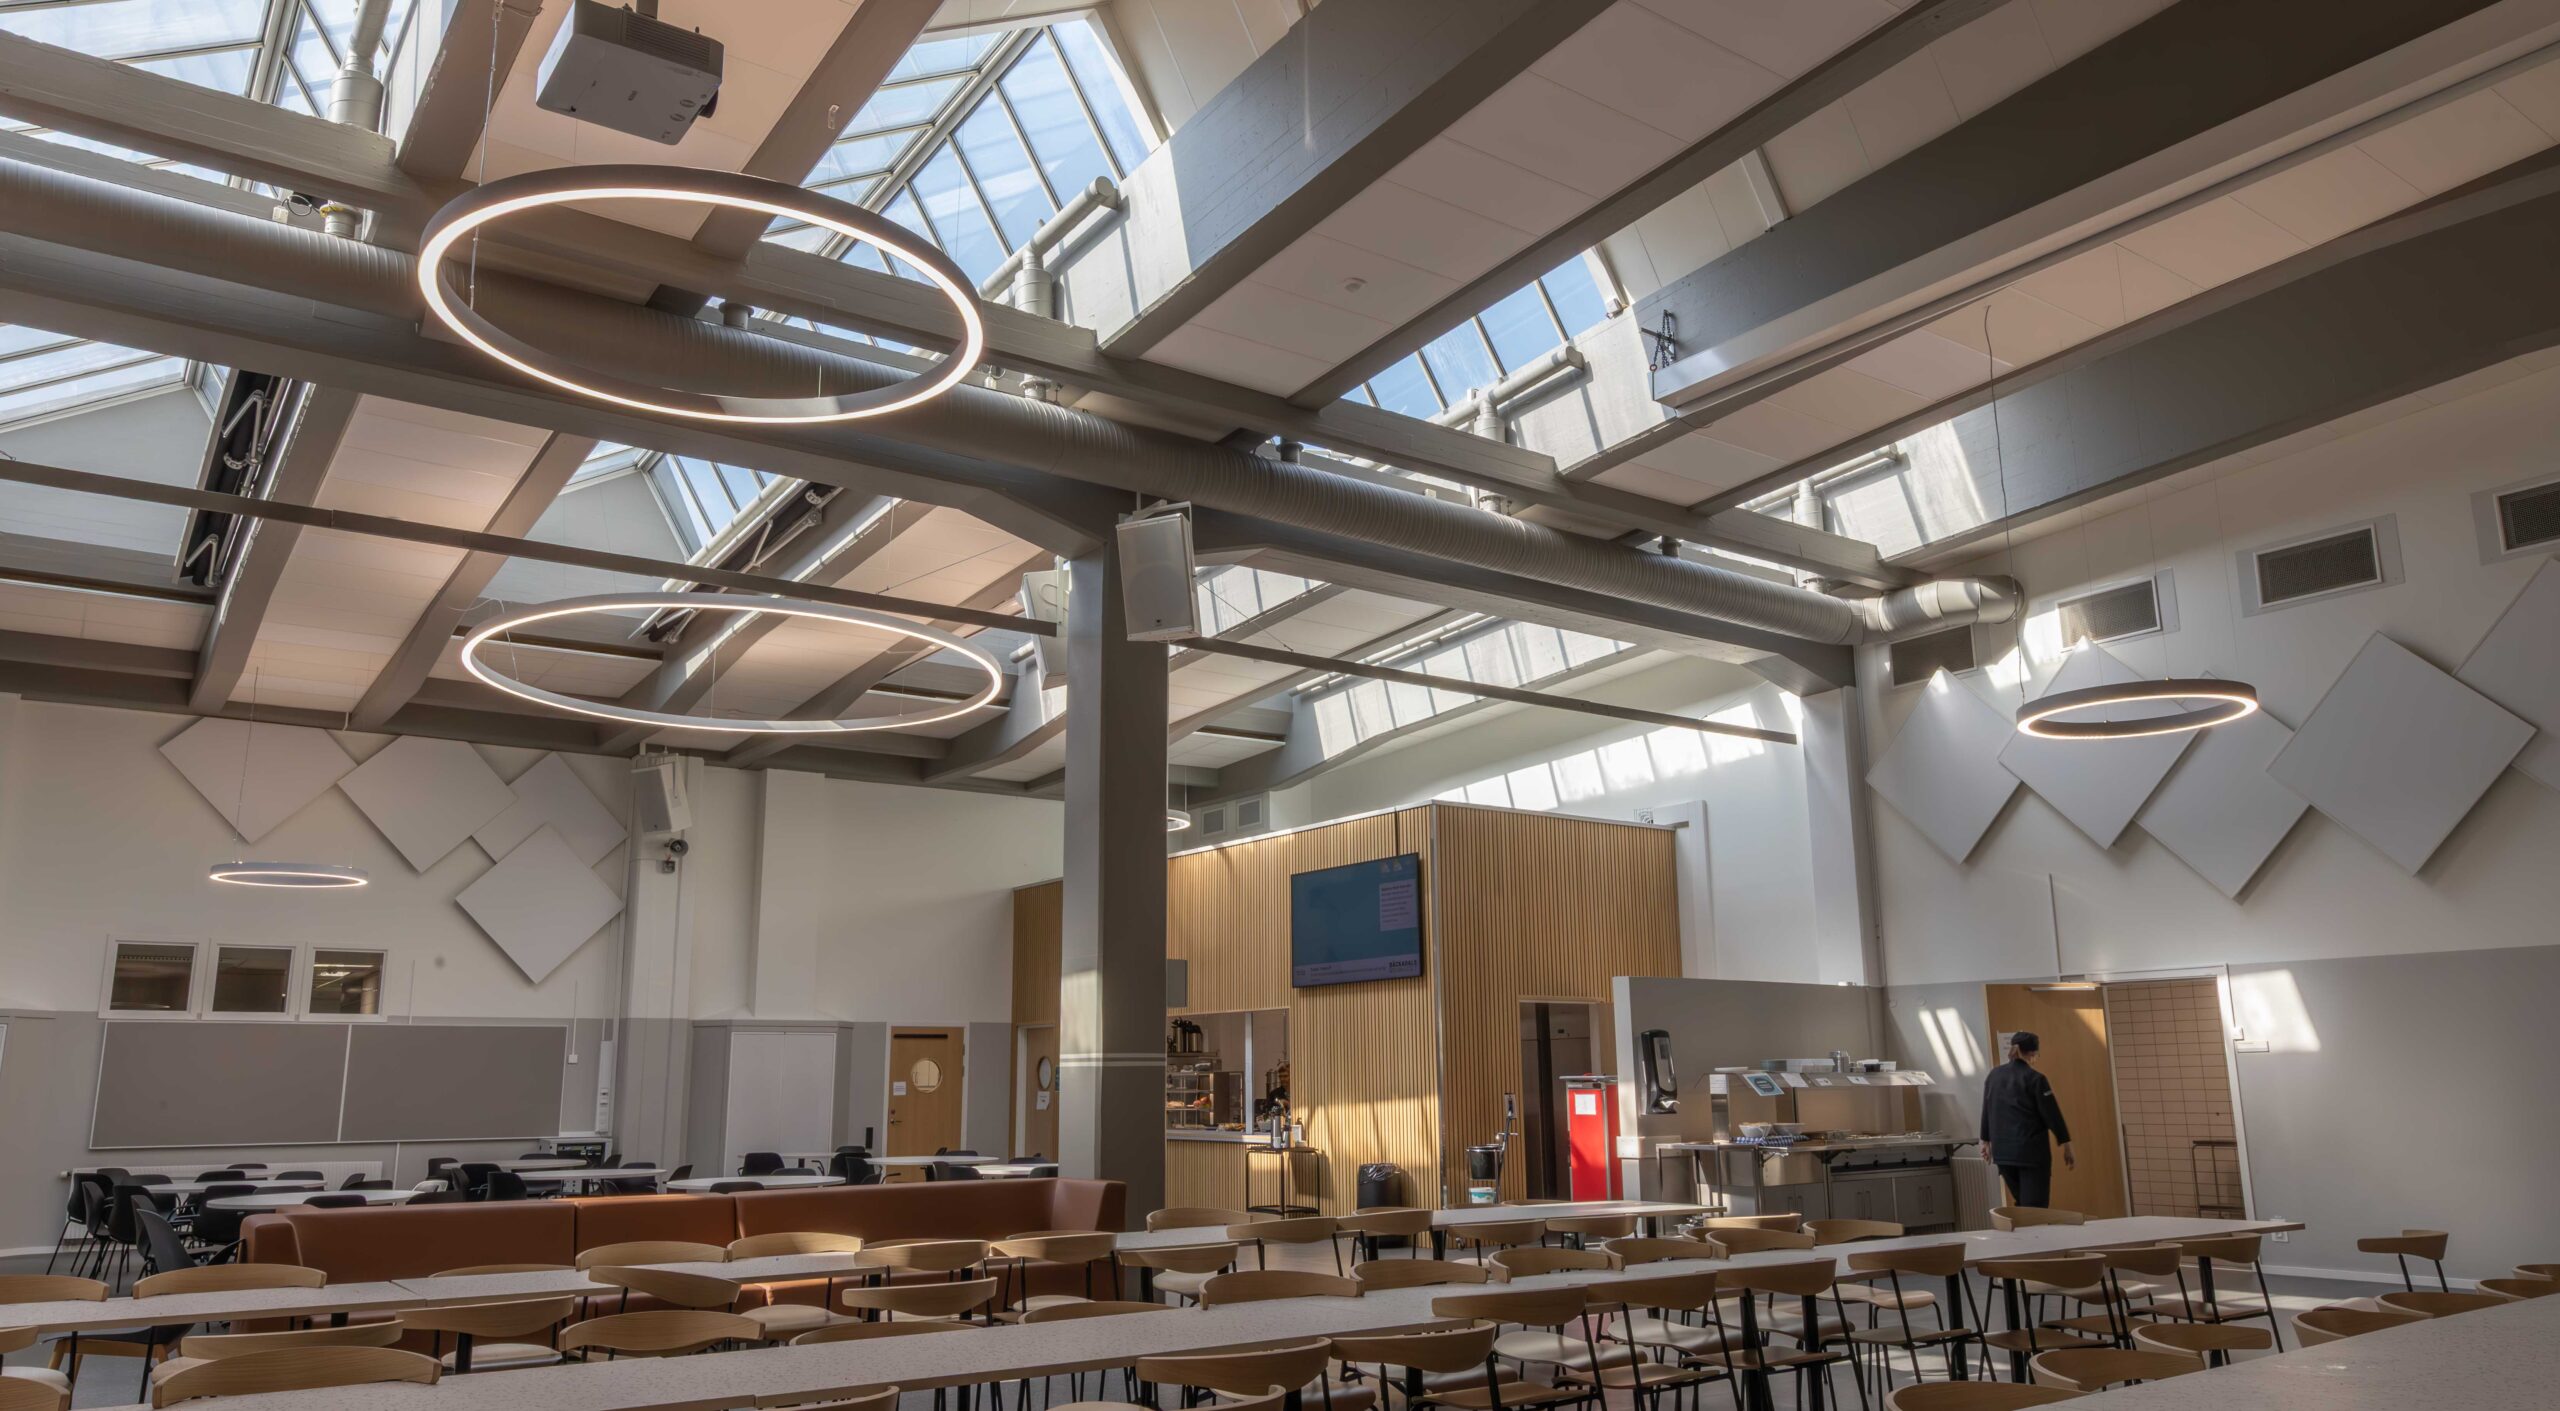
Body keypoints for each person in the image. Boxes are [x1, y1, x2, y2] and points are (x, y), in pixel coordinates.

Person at [1978, 1031, 2074, 1208]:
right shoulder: (2036, 1079)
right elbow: (2051, 1113)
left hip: (2003, 1154)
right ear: (2033, 1053)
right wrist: (2066, 1143)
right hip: (2030, 1154)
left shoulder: (1993, 1076)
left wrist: (1985, 1141)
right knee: (2035, 1209)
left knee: (2022, 1205)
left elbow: (1987, 1109)